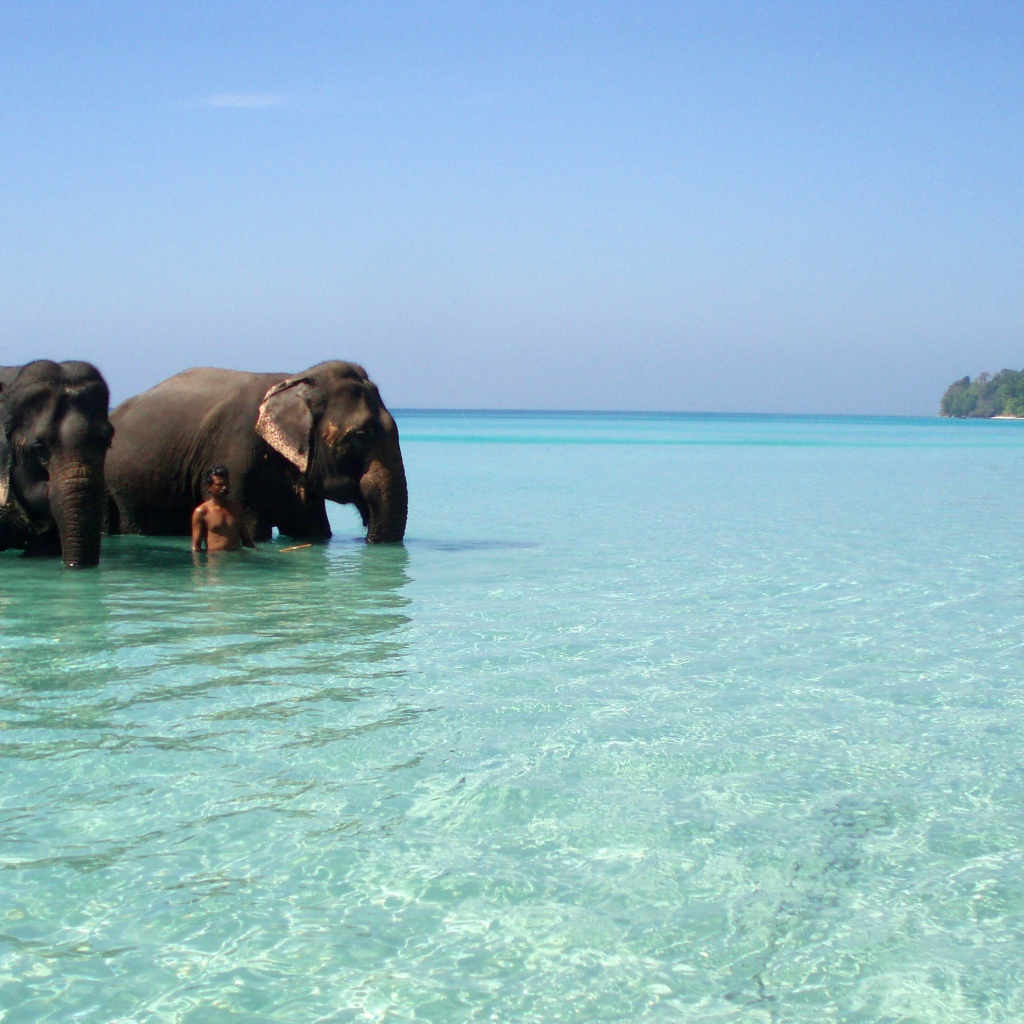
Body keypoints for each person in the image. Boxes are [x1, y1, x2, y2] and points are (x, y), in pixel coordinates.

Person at [191, 465, 256, 552]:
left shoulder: (236, 509)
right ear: (209, 487)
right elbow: (196, 547)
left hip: (236, 558)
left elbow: (247, 542)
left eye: (226, 484)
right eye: (220, 485)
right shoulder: (202, 512)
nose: (225, 488)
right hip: (215, 558)